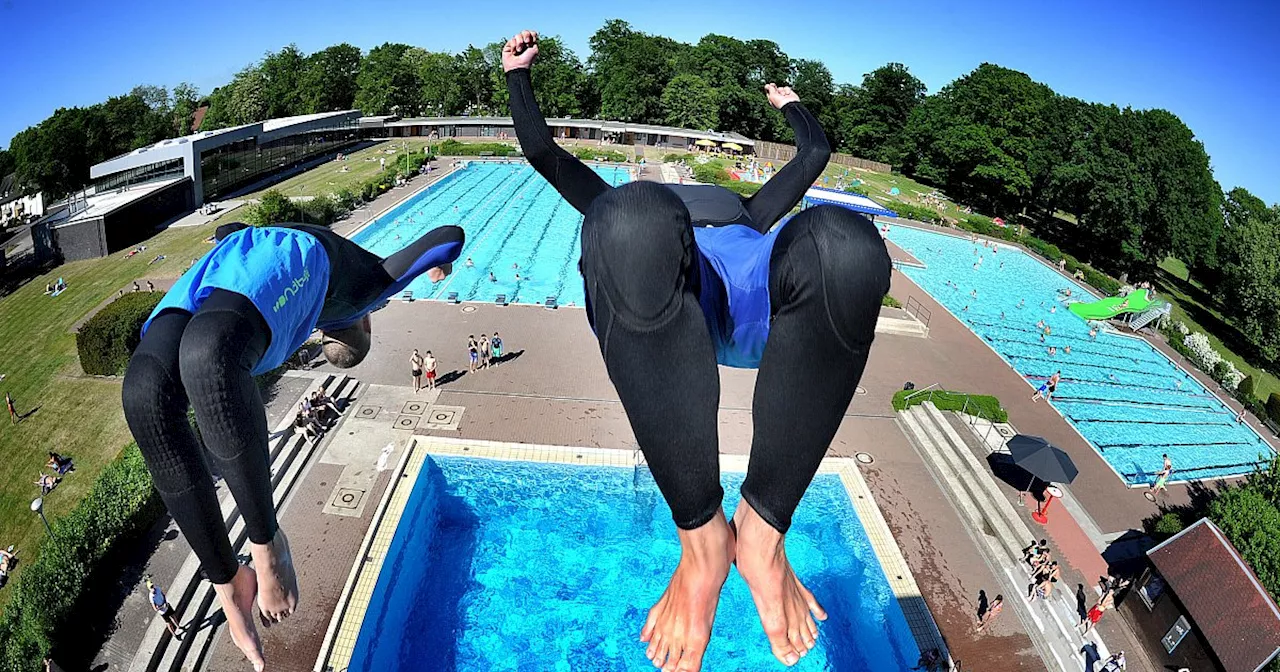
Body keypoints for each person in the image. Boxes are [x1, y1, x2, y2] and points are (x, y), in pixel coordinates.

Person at [505, 30, 888, 670]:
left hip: (768, 295)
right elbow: (543, 152)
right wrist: (518, 77)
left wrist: (790, 102)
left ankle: (763, 530)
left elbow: (814, 153)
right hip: (676, 296)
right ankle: (704, 538)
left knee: (846, 241)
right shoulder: (632, 206)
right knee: (628, 220)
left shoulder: (752, 212)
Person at [121, 220, 462, 670]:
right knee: (208, 358)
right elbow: (448, 238)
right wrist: (441, 261)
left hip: (225, 263)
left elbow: (447, 237)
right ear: (358, 323)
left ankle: (228, 582)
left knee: (145, 395)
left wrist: (437, 265)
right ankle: (267, 547)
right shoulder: (367, 289)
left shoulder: (373, 288)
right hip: (291, 256)